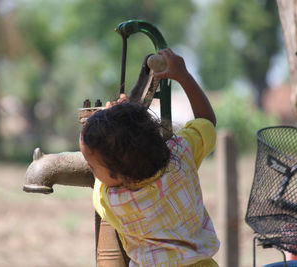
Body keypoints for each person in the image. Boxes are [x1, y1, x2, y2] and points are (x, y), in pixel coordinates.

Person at [79, 48, 219, 266]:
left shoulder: (111, 200)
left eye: (94, 167)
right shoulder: (182, 153)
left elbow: (100, 184)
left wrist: (104, 118)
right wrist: (184, 76)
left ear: (118, 175)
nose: (89, 167)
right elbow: (207, 120)